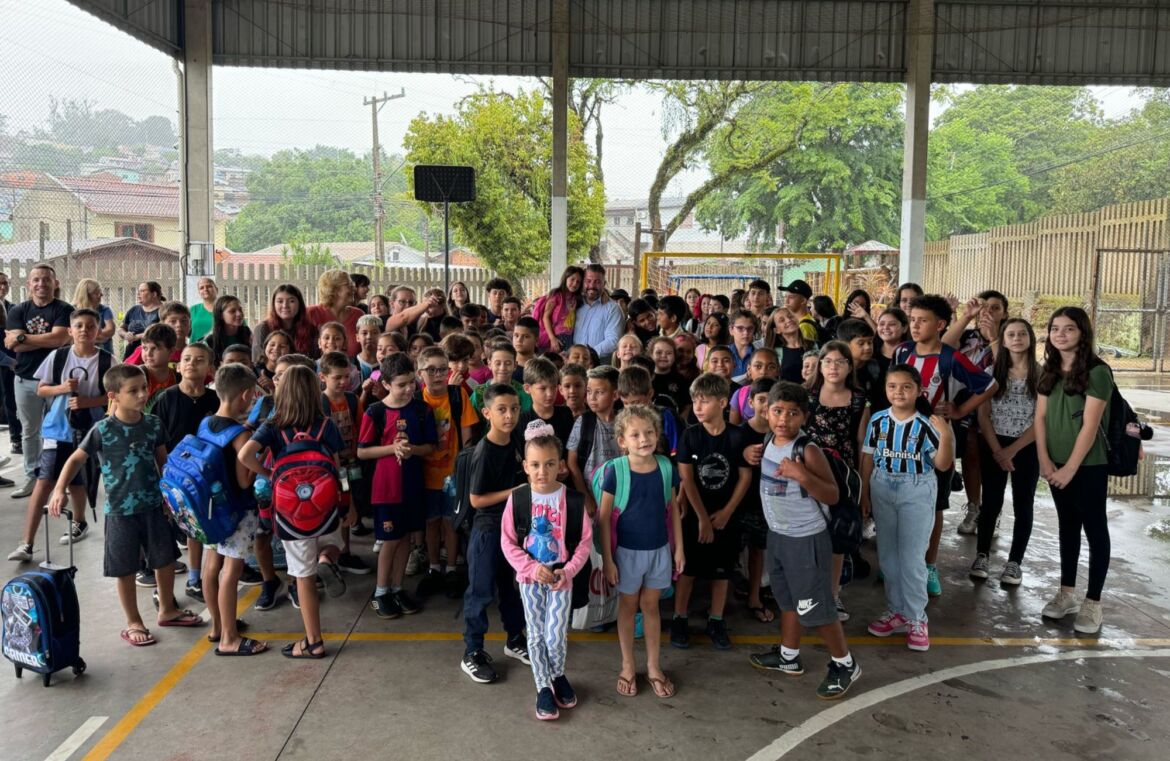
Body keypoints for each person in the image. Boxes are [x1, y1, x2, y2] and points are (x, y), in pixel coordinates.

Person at [48, 365, 202, 647]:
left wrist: (172, 499)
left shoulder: (153, 424)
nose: (142, 394)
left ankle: (167, 609)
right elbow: (76, 459)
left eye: (144, 388)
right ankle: (133, 621)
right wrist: (59, 489)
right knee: (125, 567)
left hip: (155, 506)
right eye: (133, 391)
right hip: (120, 511)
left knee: (165, 559)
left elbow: (163, 463)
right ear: (113, 396)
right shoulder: (102, 429)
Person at [747, 382, 860, 699]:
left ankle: (845, 664)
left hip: (806, 539)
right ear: (766, 411)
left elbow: (832, 494)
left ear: (805, 417)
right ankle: (788, 656)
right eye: (778, 411)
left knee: (817, 607)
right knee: (788, 600)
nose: (784, 419)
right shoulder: (768, 440)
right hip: (779, 534)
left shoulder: (807, 449)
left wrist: (802, 475)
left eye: (793, 413)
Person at [239, 364, 353, 658]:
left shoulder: (274, 425)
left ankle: (314, 642)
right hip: (326, 506)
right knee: (331, 546)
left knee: (303, 575)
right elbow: (339, 467)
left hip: (292, 514)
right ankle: (327, 559)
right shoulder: (326, 425)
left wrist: (270, 474)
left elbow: (244, 454)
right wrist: (347, 502)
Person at [895, 294, 996, 599]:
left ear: (940, 325)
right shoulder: (902, 352)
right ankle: (897, 561)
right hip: (901, 438)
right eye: (912, 320)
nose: (915, 326)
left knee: (935, 505)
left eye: (922, 320)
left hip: (936, 443)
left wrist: (960, 411)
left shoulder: (951, 358)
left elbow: (990, 385)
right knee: (899, 500)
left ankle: (929, 565)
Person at [501, 421, 593, 720]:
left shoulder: (573, 500)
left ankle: (557, 674)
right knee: (536, 634)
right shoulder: (519, 499)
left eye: (550, 464)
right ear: (526, 467)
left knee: (556, 634)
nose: (543, 471)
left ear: (561, 465)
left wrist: (569, 570)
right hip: (530, 579)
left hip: (560, 579)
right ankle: (543, 686)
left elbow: (584, 542)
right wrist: (529, 567)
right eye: (536, 465)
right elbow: (508, 542)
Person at [8, 309, 111, 563]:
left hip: (91, 430)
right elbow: (41, 389)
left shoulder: (108, 361)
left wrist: (89, 402)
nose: (84, 330)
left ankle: (79, 521)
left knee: (79, 478)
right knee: (44, 481)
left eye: (90, 326)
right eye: (79, 326)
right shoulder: (58, 356)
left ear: (98, 331)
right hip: (58, 428)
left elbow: (114, 396)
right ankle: (27, 542)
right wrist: (62, 388)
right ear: (70, 331)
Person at [861, 365, 953, 652]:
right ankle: (897, 611)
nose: (898, 392)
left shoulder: (927, 424)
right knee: (888, 556)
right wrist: (864, 494)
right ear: (885, 390)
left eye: (906, 387)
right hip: (882, 486)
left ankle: (916, 618)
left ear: (919, 391)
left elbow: (942, 465)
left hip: (916, 489)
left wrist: (946, 436)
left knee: (912, 558)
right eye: (892, 386)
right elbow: (867, 457)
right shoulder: (878, 420)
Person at [1035, 307, 1113, 634]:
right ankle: (1066, 593)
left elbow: (1090, 426)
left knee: (1095, 529)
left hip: (1088, 466)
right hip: (1055, 464)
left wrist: (1070, 468)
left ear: (1082, 333)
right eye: (1055, 328)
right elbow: (1040, 418)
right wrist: (1044, 459)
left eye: (1069, 328)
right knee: (1068, 526)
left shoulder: (1097, 372)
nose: (1061, 334)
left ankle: (1093, 602)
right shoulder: (1049, 370)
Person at [598, 404, 684, 699]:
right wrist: (608, 561)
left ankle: (653, 667)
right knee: (627, 607)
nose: (644, 439)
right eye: (635, 434)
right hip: (626, 554)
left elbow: (672, 511)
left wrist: (679, 549)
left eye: (649, 432)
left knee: (651, 607)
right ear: (622, 441)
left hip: (659, 550)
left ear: (658, 435)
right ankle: (627, 665)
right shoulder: (616, 471)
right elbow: (604, 519)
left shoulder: (666, 467)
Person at [671, 373, 751, 650]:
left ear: (723, 403)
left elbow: (744, 478)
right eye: (695, 401)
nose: (698, 407)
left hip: (726, 517)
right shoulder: (690, 435)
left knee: (722, 571)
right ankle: (679, 618)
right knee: (688, 571)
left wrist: (727, 511)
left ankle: (716, 620)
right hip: (695, 515)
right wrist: (702, 518)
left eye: (704, 401)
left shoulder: (737, 436)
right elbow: (687, 478)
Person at [460, 383, 530, 684]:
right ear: (487, 413)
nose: (509, 415)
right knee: (481, 592)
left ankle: (515, 639)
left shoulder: (516, 440)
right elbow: (476, 500)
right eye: (502, 409)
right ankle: (472, 652)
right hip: (488, 530)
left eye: (514, 408)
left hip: (512, 528)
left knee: (509, 588)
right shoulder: (484, 451)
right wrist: (516, 491)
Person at [359, 354, 437, 619]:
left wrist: (412, 449)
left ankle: (397, 587)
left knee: (406, 538)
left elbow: (430, 447)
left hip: (412, 486)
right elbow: (362, 452)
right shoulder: (375, 412)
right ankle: (380, 592)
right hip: (386, 489)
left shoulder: (422, 410)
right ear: (386, 384)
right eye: (401, 384)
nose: (408, 389)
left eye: (411, 382)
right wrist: (391, 448)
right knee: (390, 540)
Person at [200, 362, 268, 656]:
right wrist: (262, 464)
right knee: (232, 570)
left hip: (210, 509)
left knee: (211, 566)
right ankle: (229, 639)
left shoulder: (205, 423)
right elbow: (243, 480)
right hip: (236, 511)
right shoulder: (240, 434)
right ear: (246, 395)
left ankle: (217, 627)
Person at [802, 341, 871, 622]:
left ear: (849, 367)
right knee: (809, 536)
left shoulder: (859, 400)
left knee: (838, 538)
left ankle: (832, 596)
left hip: (843, 478)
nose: (833, 367)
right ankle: (808, 594)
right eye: (828, 361)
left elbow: (863, 446)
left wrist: (863, 491)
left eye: (840, 362)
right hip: (809, 474)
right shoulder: (806, 396)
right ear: (819, 366)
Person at [971, 318, 1040, 587]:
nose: (1017, 338)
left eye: (1022, 333)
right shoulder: (991, 373)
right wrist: (998, 450)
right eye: (1011, 334)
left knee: (1024, 503)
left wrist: (1012, 449)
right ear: (1004, 339)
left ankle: (1014, 563)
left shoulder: (1042, 375)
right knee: (991, 501)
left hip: (1026, 446)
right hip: (994, 444)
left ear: (1030, 338)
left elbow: (1041, 420)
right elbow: (983, 415)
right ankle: (982, 555)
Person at [150, 342, 220, 598]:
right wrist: (162, 476)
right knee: (166, 533)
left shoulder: (215, 400)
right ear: (178, 367)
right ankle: (161, 591)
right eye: (187, 359)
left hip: (204, 477)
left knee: (197, 526)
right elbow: (155, 441)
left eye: (200, 360)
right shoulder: (166, 398)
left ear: (210, 368)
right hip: (172, 477)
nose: (192, 363)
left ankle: (194, 579)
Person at [944, 290, 1010, 536]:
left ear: (1005, 314)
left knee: (993, 460)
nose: (988, 312)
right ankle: (974, 508)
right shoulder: (967, 336)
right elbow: (945, 346)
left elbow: (1005, 370)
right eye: (984, 307)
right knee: (970, 455)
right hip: (964, 404)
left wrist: (993, 338)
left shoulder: (1010, 336)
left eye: (995, 308)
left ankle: (992, 512)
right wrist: (963, 317)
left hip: (997, 407)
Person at [5, 264, 74, 498]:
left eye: (46, 279)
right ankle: (32, 477)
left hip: (58, 380)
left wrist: (23, 337)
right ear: (29, 284)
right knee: (29, 431)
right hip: (25, 379)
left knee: (59, 429)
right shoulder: (18, 311)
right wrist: (44, 339)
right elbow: (12, 345)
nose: (41, 284)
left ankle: (60, 478)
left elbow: (59, 340)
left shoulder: (65, 309)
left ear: (55, 283)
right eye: (36, 280)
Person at [416, 346, 477, 595]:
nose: (438, 375)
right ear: (420, 373)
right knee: (431, 522)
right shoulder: (416, 400)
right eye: (431, 370)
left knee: (451, 523)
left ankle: (451, 568)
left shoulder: (457, 395)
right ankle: (434, 567)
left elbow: (467, 436)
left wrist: (465, 470)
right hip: (425, 475)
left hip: (453, 475)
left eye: (443, 369)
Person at [318, 351, 370, 575]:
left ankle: (344, 552)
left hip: (351, 465)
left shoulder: (352, 400)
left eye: (346, 377)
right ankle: (326, 556)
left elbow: (361, 427)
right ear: (323, 377)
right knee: (331, 508)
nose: (343, 382)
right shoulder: (319, 403)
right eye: (337, 377)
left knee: (347, 505)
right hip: (330, 467)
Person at [737, 377, 778, 624]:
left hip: (769, 503)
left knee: (757, 550)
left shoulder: (781, 433)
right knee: (734, 551)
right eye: (762, 399)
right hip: (742, 502)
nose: (767, 405)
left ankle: (755, 596)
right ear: (751, 402)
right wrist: (742, 453)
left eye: (772, 400)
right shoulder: (739, 433)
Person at [566, 365, 621, 516]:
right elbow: (572, 463)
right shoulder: (584, 422)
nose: (592, 397)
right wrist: (585, 497)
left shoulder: (624, 422)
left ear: (615, 395)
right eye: (589, 391)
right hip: (591, 497)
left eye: (599, 392)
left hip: (620, 497)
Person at [253, 284, 319, 362]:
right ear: (273, 304)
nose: (285, 306)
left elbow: (315, 360)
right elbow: (258, 361)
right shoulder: (262, 328)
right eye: (280, 301)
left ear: (300, 304)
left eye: (291, 301)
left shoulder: (311, 329)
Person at [519, 356, 574, 446]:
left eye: (553, 387)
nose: (550, 394)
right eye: (543, 388)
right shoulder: (521, 420)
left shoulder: (565, 413)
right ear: (527, 388)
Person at [307, 270, 364, 355]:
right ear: (334, 289)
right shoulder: (311, 313)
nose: (354, 288)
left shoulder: (358, 315)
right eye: (348, 284)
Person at [573, 265, 623, 361]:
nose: (592, 286)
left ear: (604, 284)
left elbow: (613, 341)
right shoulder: (573, 303)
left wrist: (587, 356)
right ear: (583, 282)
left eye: (597, 282)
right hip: (571, 362)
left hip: (599, 364)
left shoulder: (612, 309)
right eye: (588, 281)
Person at [539, 266, 584, 352]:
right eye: (572, 279)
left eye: (578, 282)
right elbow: (546, 317)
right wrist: (552, 338)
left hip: (571, 337)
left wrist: (604, 293)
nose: (575, 284)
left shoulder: (576, 298)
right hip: (557, 337)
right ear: (566, 278)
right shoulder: (556, 295)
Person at [118, 280, 164, 359]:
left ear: (154, 294)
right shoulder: (134, 309)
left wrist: (136, 337)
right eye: (138, 291)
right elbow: (121, 328)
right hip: (131, 353)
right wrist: (125, 335)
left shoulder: (164, 311)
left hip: (152, 354)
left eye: (142, 291)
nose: (138, 294)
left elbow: (161, 332)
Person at [71, 278, 117, 355]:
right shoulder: (71, 310)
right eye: (97, 292)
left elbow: (110, 330)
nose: (101, 294)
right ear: (86, 295)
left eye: (100, 291)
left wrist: (84, 337)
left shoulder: (105, 309)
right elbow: (69, 335)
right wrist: (100, 336)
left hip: (104, 353)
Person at [140, 323, 178, 412]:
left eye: (155, 348)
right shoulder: (136, 375)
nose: (148, 354)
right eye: (145, 348)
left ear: (171, 351)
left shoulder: (177, 377)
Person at [648, 336, 690, 417]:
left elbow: (687, 405)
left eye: (669, 353)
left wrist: (679, 421)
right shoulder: (646, 379)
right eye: (659, 352)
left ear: (674, 356)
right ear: (651, 355)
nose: (663, 356)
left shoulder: (681, 379)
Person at [204, 294, 252, 363]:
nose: (239, 314)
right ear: (220, 315)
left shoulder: (247, 332)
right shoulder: (210, 341)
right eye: (232, 311)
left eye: (240, 310)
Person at [778, 279, 818, 344]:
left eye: (791, 297)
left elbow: (804, 350)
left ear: (803, 301)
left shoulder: (805, 326)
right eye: (785, 297)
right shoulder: (800, 322)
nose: (786, 301)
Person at [729, 310, 758, 378]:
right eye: (740, 328)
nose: (746, 333)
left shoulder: (759, 354)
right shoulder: (723, 353)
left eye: (750, 328)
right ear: (731, 330)